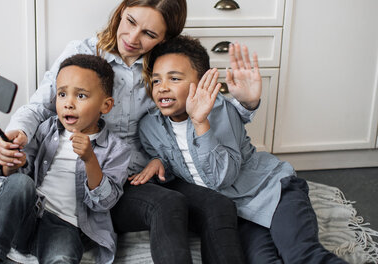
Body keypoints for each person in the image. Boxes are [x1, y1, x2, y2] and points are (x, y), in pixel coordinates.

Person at [0, 0, 261, 263]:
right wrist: (18, 132)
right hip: (94, 179)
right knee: (167, 204)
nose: (133, 38)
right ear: (122, 11)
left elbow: (203, 107)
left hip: (142, 175)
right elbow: (40, 105)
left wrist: (246, 104)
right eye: (130, 21)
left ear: (165, 38)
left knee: (217, 205)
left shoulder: (161, 70)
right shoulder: (83, 52)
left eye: (148, 33)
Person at [137, 34, 348, 264]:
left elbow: (222, 178)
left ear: (202, 82)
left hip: (273, 192)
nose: (162, 88)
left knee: (301, 254)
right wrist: (159, 161)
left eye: (174, 79)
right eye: (157, 80)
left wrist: (200, 123)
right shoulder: (149, 126)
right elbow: (174, 159)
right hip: (239, 214)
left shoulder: (218, 111)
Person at [0, 54, 131, 264]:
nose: (68, 103)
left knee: (62, 257)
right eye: (62, 94)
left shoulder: (116, 150)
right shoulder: (46, 130)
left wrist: (90, 160)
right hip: (26, 218)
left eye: (81, 96)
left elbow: (104, 202)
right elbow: (14, 182)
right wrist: (11, 164)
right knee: (20, 182)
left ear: (105, 106)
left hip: (64, 226)